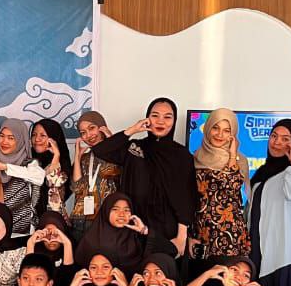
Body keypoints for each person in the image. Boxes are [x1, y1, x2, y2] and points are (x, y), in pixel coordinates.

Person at [90, 97, 196, 257]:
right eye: (155, 115)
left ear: (174, 121)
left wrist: (181, 237)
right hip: (133, 225)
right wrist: (132, 130)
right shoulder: (135, 148)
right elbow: (100, 150)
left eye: (167, 117)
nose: (160, 121)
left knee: (162, 269)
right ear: (147, 118)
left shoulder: (182, 155)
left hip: (167, 231)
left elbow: (187, 197)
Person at [248, 119, 291, 286]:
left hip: (284, 255)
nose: (277, 142)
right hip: (259, 251)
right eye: (274, 136)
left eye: (285, 139)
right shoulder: (261, 174)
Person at [190, 108, 250, 262]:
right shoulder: (196, 157)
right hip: (201, 231)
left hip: (229, 234)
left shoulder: (239, 160)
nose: (219, 134)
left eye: (226, 130)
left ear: (233, 134)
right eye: (215, 128)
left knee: (226, 275)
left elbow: (231, 187)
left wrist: (232, 156)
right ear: (208, 128)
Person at [74, 191, 174, 275]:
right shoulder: (90, 240)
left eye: (126, 210)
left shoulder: (137, 238)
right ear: (106, 211)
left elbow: (172, 250)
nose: (121, 214)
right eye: (115, 209)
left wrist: (144, 230)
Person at [69, 110, 121, 242]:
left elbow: (112, 170)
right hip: (81, 220)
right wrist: (77, 156)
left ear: (102, 128)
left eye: (91, 128)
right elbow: (76, 188)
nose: (88, 135)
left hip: (106, 218)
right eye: (83, 132)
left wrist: (112, 142)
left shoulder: (118, 154)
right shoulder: (85, 158)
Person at [0, 118, 44, 236]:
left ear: (20, 140)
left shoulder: (30, 164)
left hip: (23, 232)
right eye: (2, 136)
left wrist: (6, 167)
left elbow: (39, 177)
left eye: (11, 138)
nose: (4, 141)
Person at [29, 118, 71, 218]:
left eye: (43, 135)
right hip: (28, 221)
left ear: (54, 138)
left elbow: (55, 186)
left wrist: (56, 156)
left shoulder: (62, 163)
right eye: (34, 135)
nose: (37, 139)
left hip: (53, 220)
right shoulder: (28, 160)